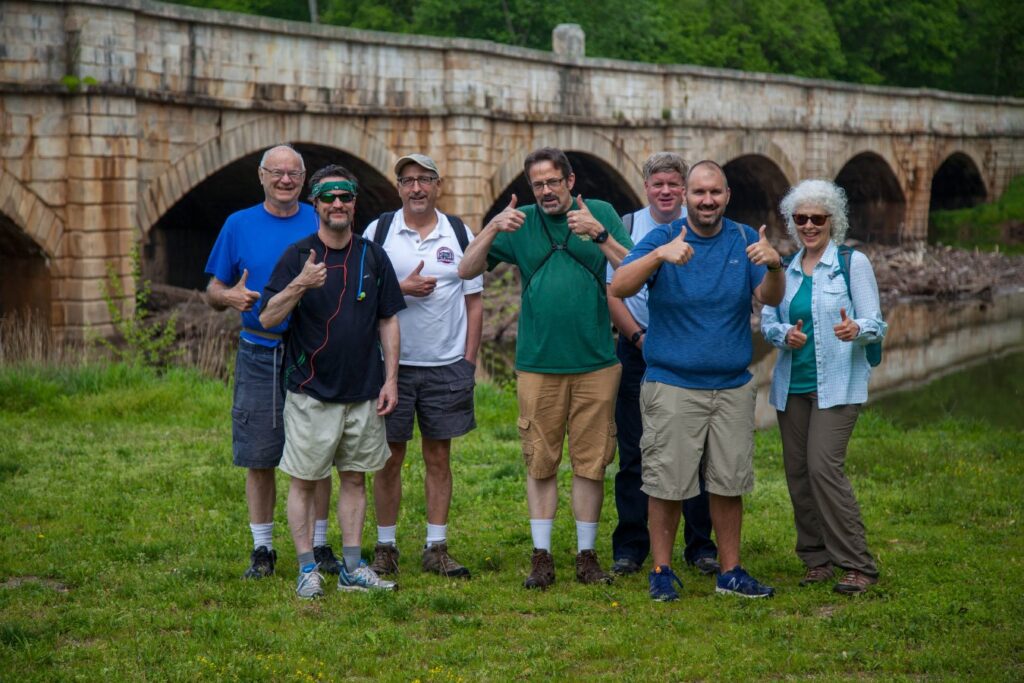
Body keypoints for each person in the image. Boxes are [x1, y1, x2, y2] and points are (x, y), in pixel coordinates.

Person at [610, 160, 785, 601]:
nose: (707, 200)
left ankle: (731, 572)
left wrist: (776, 266)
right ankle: (662, 570)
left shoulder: (745, 239)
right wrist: (656, 257)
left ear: (727, 196)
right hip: (672, 382)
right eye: (699, 193)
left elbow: (768, 298)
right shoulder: (663, 236)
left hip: (731, 384)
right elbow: (619, 288)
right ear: (686, 196)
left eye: (716, 193)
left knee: (728, 482)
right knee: (667, 482)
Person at [459, 147, 632, 589]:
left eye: (554, 182)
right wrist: (493, 226)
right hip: (537, 364)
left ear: (570, 181)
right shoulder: (522, 223)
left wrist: (598, 234)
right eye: (538, 185)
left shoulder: (603, 212)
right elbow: (466, 268)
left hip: (596, 362)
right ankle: (541, 556)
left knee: (592, 463)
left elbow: (633, 272)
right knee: (540, 462)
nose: (547, 191)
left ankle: (587, 556)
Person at [258, 164, 405, 599]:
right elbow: (267, 318)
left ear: (354, 204)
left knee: (355, 478)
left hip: (363, 392)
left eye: (345, 197)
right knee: (304, 481)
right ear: (315, 204)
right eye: (328, 197)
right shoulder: (296, 255)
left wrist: (391, 379)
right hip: (310, 392)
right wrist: (300, 284)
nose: (337, 204)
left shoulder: (373, 257)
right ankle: (307, 569)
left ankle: (353, 568)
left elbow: (388, 320)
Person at [204, 144, 339, 580]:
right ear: (261, 177)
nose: (285, 180)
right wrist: (228, 297)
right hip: (258, 350)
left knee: (317, 453)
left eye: (294, 174)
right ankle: (263, 549)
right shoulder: (237, 224)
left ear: (304, 180)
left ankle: (319, 545)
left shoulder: (318, 219)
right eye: (276, 173)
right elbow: (212, 289)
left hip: (312, 350)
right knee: (259, 454)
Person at [761, 179, 886, 595]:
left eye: (817, 218)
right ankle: (815, 559)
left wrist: (857, 329)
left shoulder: (853, 263)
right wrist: (783, 335)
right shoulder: (786, 268)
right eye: (801, 219)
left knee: (823, 469)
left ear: (833, 220)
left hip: (837, 385)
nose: (809, 226)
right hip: (791, 386)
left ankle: (857, 564)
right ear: (792, 223)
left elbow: (876, 323)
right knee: (798, 474)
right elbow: (767, 321)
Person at [364, 154, 483, 579]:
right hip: (391, 367)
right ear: (398, 188)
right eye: (408, 180)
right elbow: (362, 296)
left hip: (446, 365)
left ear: (438, 185)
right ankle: (385, 546)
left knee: (438, 457)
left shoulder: (459, 232)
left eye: (424, 180)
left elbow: (473, 300)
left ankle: (436, 546)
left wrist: (468, 361)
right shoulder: (378, 232)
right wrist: (401, 288)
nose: (416, 188)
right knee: (388, 459)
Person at [606, 152, 719, 577]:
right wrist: (637, 336)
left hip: (691, 352)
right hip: (638, 350)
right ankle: (631, 546)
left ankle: (700, 544)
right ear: (646, 187)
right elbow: (613, 292)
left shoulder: (704, 225)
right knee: (636, 451)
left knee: (698, 453)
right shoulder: (629, 226)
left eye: (674, 184)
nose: (666, 192)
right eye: (659, 184)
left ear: (685, 189)